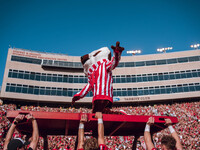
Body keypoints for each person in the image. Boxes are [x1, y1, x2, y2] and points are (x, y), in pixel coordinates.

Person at [72, 42, 124, 113]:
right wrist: (77, 96)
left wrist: (117, 53)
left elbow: (113, 63)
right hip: (104, 97)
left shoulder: (104, 64)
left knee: (96, 115)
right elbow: (88, 87)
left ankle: (118, 114)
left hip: (101, 97)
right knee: (104, 113)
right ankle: (120, 114)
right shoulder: (92, 72)